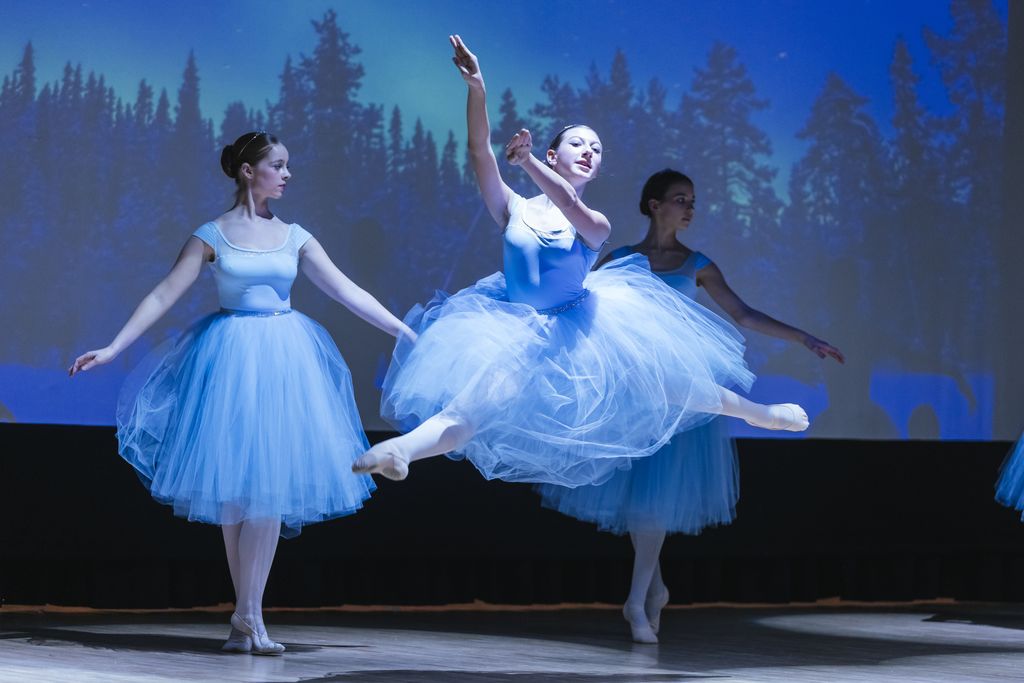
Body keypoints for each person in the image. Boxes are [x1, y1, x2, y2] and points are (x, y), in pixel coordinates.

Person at [353, 37, 808, 487]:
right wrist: (478, 90)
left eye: (597, 148)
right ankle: (401, 451)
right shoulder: (513, 208)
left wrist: (527, 162)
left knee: (671, 383)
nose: (590, 151)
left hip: (582, 329)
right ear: (555, 155)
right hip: (516, 332)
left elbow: (569, 203)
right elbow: (479, 152)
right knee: (468, 411)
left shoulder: (596, 223)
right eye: (578, 143)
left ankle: (762, 414)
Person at [69, 131, 412, 655]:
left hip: (283, 361)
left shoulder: (295, 236)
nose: (287, 174)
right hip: (228, 360)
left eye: (288, 165)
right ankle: (246, 617)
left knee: (268, 488)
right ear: (249, 171)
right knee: (233, 495)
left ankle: (248, 616)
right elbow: (164, 292)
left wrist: (402, 332)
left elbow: (347, 290)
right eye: (278, 165)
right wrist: (115, 347)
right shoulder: (213, 235)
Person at [537, 169, 844, 643]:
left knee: (654, 503)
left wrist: (803, 337)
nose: (689, 209)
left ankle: (637, 602)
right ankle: (655, 591)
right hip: (635, 394)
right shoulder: (621, 260)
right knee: (642, 505)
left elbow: (743, 314)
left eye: (692, 201)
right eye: (680, 199)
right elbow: (582, 309)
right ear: (654, 204)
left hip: (682, 395)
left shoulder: (696, 264)